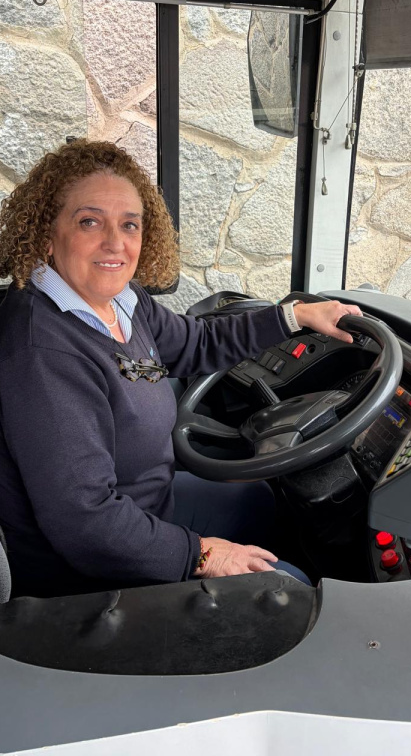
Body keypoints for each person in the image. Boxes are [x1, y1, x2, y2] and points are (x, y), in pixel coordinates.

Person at [0, 141, 361, 598]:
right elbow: (86, 522)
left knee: (258, 501)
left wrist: (294, 317)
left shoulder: (122, 302)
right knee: (294, 589)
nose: (115, 243)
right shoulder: (45, 350)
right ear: (47, 235)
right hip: (87, 574)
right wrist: (203, 555)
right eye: (89, 221)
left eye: (129, 224)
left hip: (149, 506)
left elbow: (198, 343)